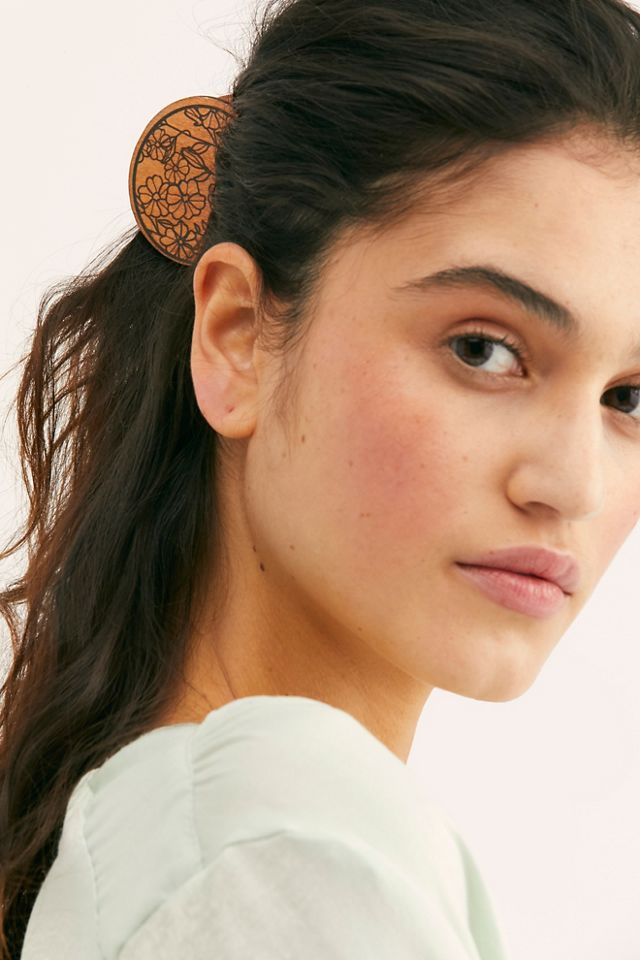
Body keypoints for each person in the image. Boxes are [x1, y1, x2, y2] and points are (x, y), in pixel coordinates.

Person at [2, 0, 640, 956]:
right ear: (237, 337)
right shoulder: (286, 858)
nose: (574, 484)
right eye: (483, 348)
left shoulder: (179, 843)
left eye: (630, 399)